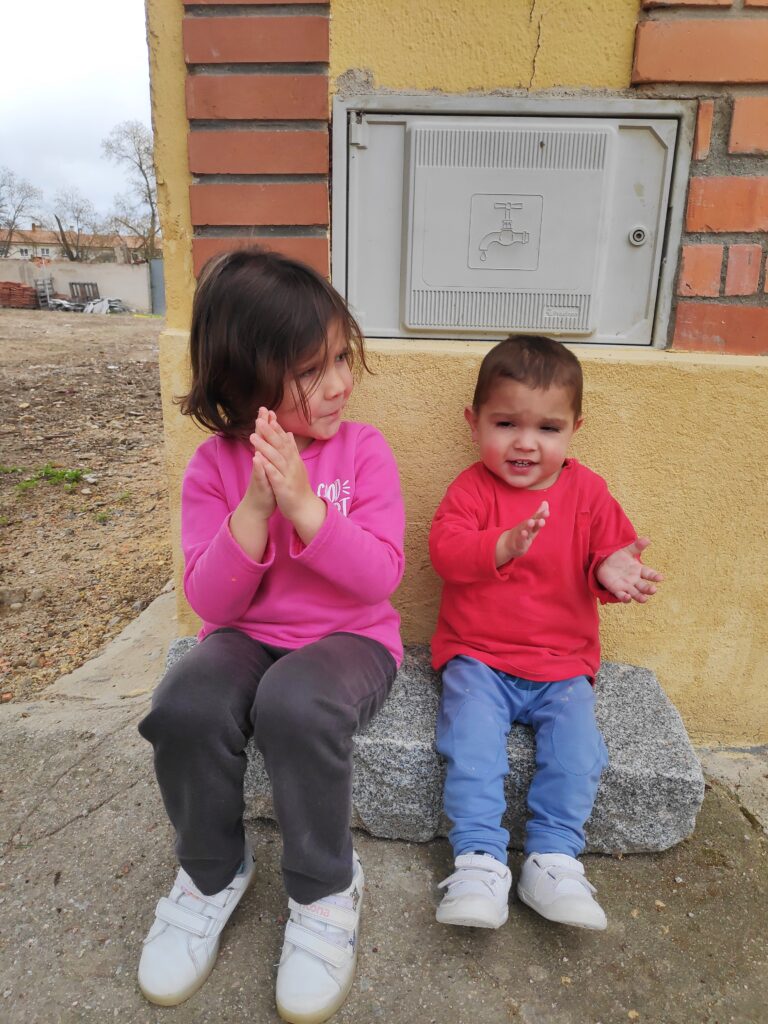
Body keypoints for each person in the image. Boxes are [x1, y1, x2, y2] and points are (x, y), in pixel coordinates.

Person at [137, 248, 405, 1022]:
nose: (340, 384)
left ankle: (325, 889)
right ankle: (212, 871)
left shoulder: (364, 452)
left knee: (294, 701)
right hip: (248, 634)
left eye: (342, 358)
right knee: (186, 698)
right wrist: (253, 511)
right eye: (313, 371)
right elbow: (210, 602)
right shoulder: (214, 468)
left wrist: (307, 508)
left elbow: (378, 578)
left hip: (351, 639)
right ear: (246, 385)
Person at [429, 334, 662, 932]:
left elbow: (609, 553)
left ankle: (553, 860)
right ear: (474, 421)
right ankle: (479, 860)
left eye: (548, 428)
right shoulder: (471, 491)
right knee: (473, 747)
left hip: (562, 666)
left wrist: (613, 569)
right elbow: (447, 554)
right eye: (505, 423)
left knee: (579, 754)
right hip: (478, 659)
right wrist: (501, 544)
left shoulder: (587, 493)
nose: (526, 443)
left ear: (574, 429)